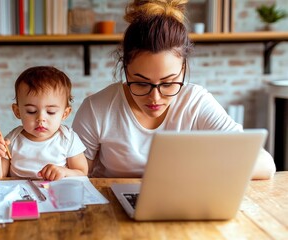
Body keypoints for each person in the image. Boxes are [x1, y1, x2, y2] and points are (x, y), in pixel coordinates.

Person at [72, 0, 276, 180]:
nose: (155, 97)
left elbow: (265, 165)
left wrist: (198, 170)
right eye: (141, 83)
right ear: (125, 68)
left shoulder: (195, 102)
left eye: (168, 83)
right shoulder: (97, 108)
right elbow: (77, 173)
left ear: (183, 69)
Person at [0, 66, 88, 180]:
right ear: (17, 111)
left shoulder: (68, 139)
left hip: (56, 195)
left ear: (65, 113)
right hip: (20, 195)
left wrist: (64, 172)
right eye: (31, 111)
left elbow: (82, 172)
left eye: (51, 112)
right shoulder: (12, 140)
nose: (41, 118)